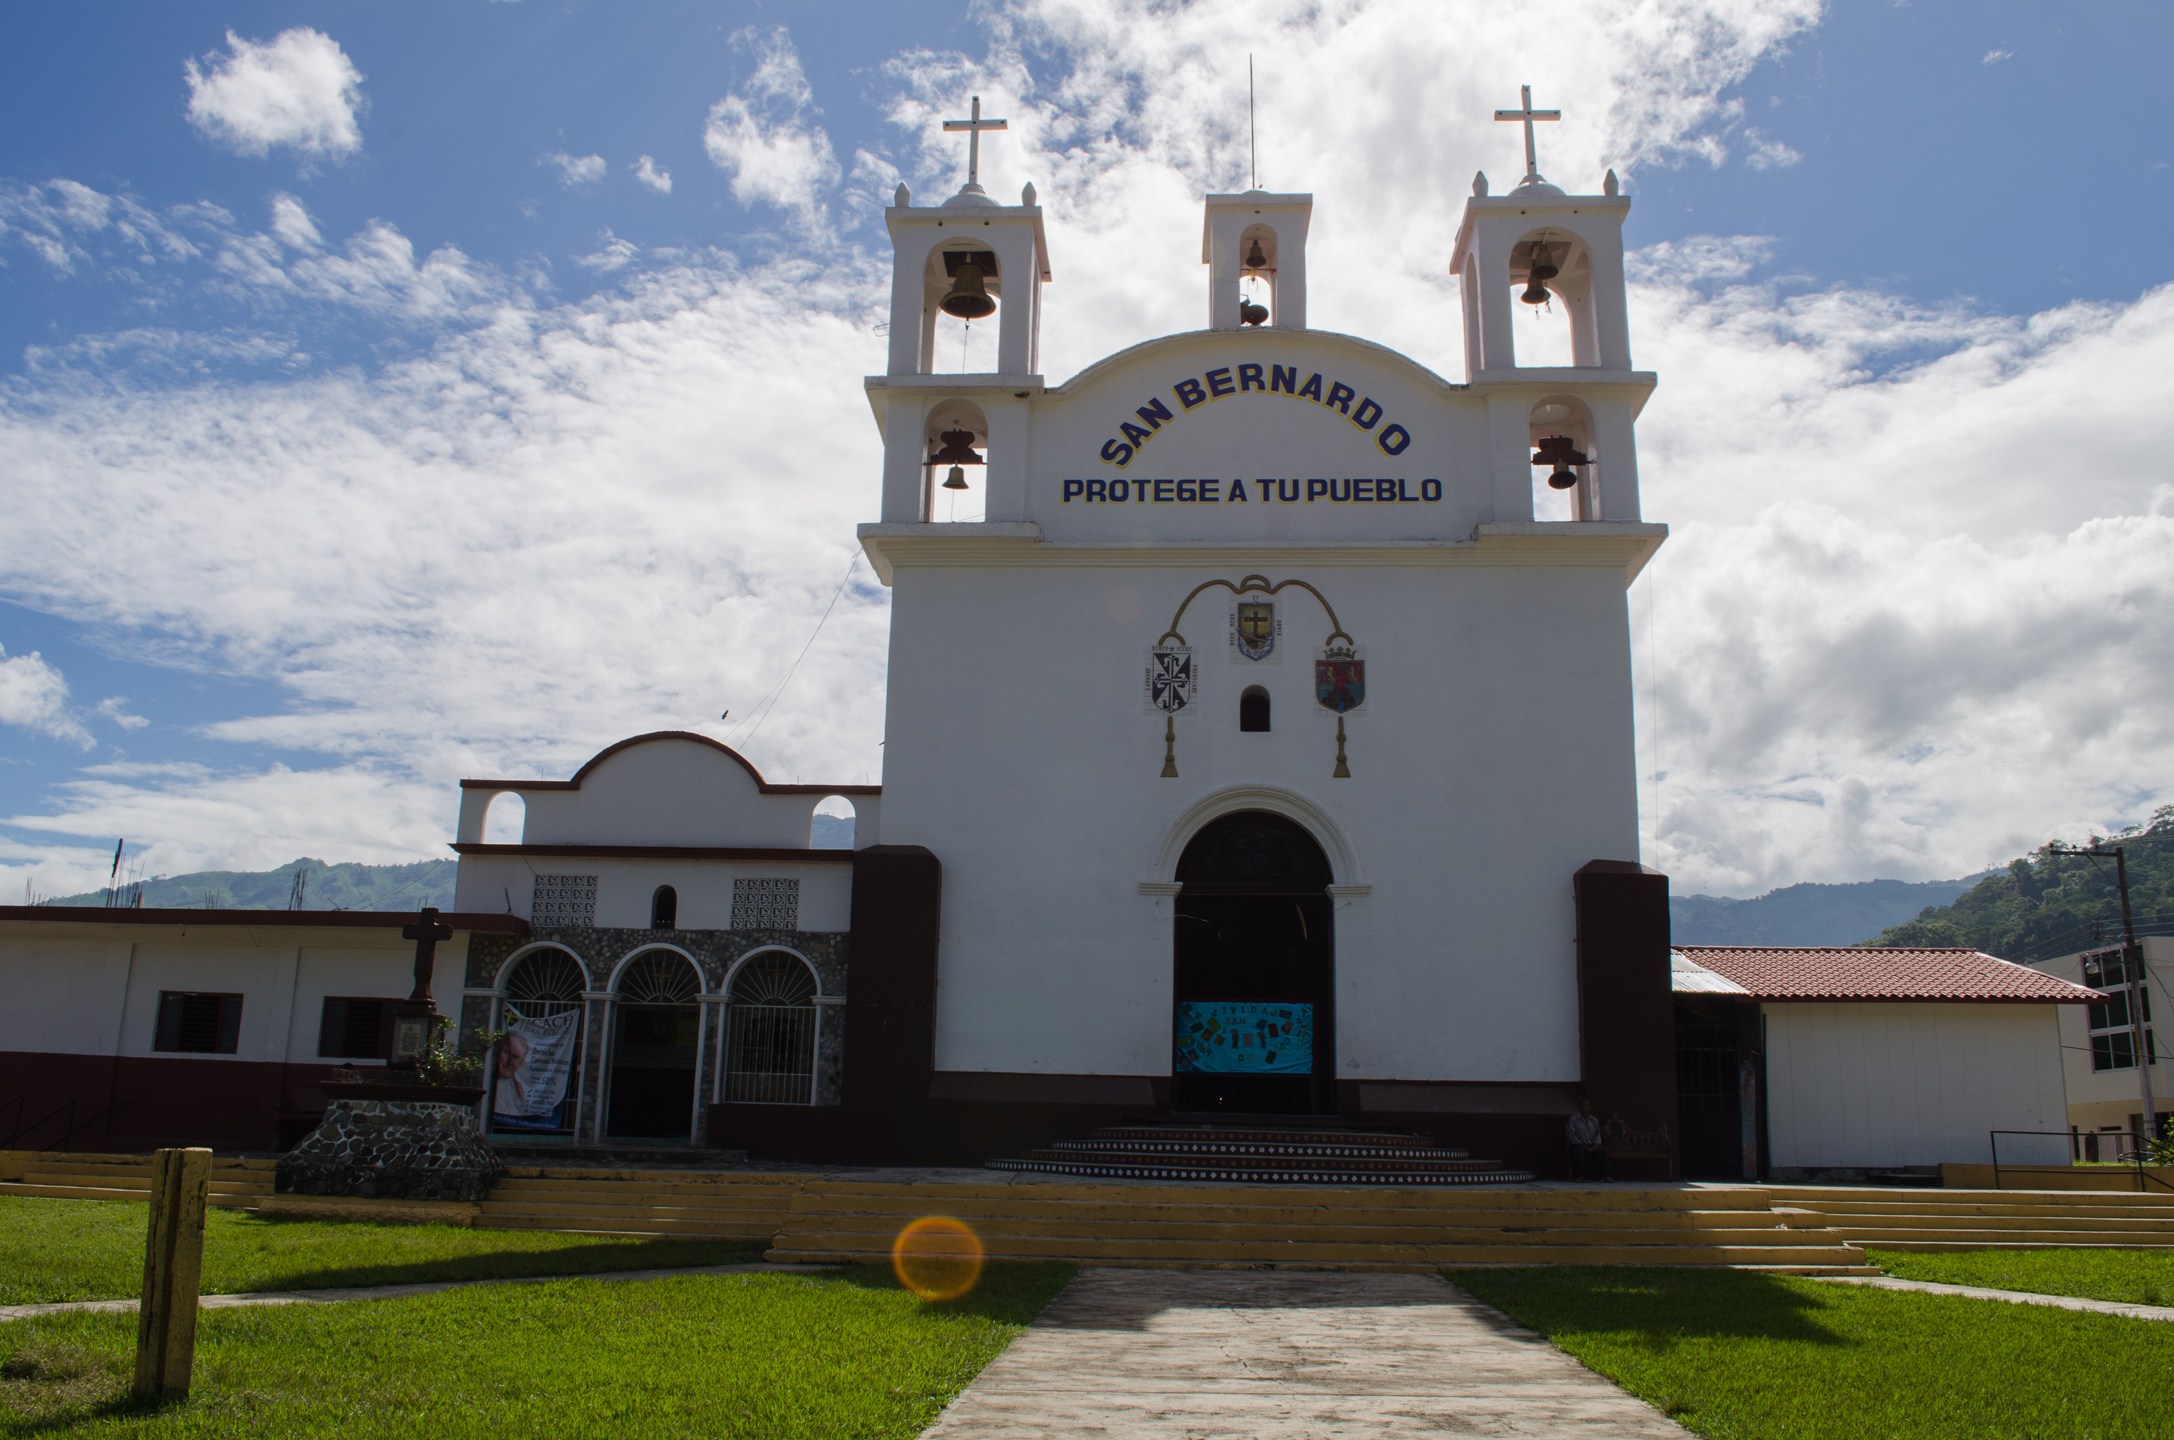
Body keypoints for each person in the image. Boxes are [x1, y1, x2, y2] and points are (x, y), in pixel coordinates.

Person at [1566, 1099, 1612, 1182]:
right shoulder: (1573, 1119)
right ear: (1579, 1107)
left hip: (1592, 1145)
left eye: (1587, 1105)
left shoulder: (1594, 1120)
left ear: (1590, 1108)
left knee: (1601, 1151)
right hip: (1579, 1145)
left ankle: (1606, 1175)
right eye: (1583, 1105)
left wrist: (1595, 1146)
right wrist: (1583, 1146)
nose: (1585, 1107)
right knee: (1579, 1151)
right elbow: (1572, 1136)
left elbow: (1598, 1135)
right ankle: (1581, 1175)